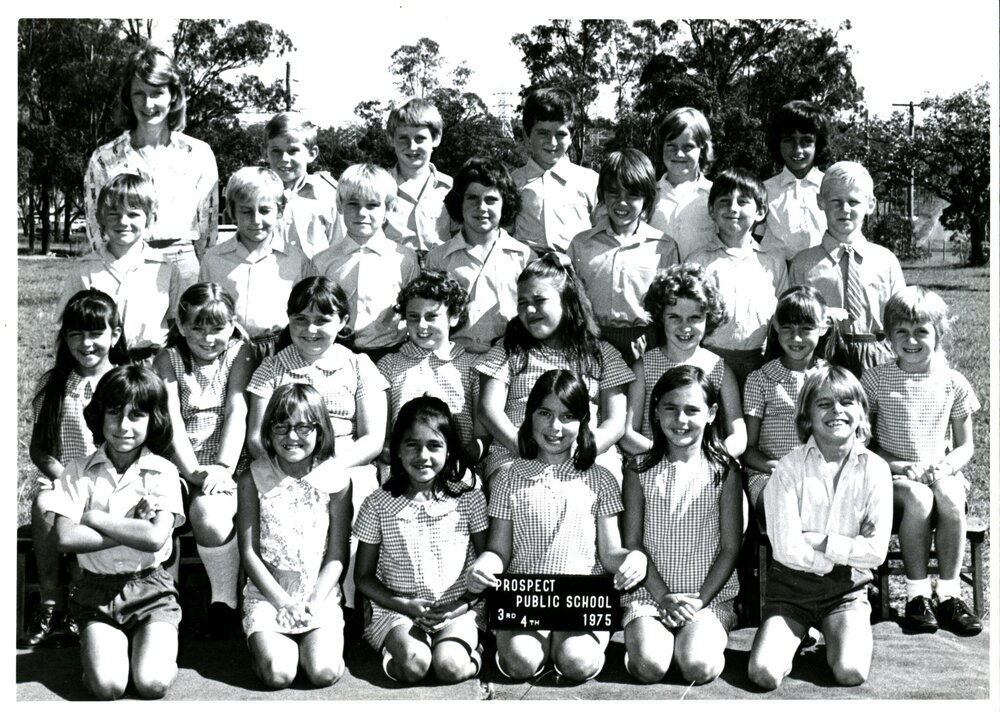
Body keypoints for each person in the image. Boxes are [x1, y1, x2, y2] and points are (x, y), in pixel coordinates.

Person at [466, 370, 647, 682]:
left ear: (583, 423)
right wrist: (483, 565)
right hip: (524, 600)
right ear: (529, 415)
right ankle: (508, 648)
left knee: (577, 662)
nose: (554, 427)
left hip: (581, 600)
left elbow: (610, 552)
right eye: (544, 413)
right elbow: (498, 551)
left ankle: (568, 649)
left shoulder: (600, 478)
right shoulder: (509, 477)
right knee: (521, 662)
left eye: (567, 416)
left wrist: (634, 559)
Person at [246, 276, 388, 614]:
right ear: (289, 320)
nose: (311, 329)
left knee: (357, 490)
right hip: (286, 459)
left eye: (322, 320)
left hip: (346, 461)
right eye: (301, 320)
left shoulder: (358, 366)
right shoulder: (274, 366)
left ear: (342, 322)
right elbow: (256, 435)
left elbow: (372, 438)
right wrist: (292, 467)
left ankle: (352, 602)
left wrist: (330, 468)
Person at [748, 365, 892, 691]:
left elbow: (875, 553)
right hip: (791, 590)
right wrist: (830, 559)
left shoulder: (877, 471)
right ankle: (799, 635)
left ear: (861, 412)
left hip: (846, 591)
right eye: (824, 404)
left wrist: (820, 541)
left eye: (846, 403)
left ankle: (833, 632)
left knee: (850, 672)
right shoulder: (787, 468)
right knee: (763, 674)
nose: (836, 411)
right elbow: (785, 547)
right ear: (807, 416)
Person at [48, 365, 185, 700]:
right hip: (95, 592)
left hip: (152, 590)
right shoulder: (77, 471)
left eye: (137, 415)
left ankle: (155, 654)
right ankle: (102, 656)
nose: (124, 426)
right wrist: (129, 524)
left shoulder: (164, 471)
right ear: (99, 415)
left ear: (154, 421)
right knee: (108, 687)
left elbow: (155, 538)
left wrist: (94, 517)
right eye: (114, 413)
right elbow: (64, 538)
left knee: (152, 684)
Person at [860, 286, 982, 635]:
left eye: (921, 331)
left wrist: (944, 467)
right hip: (894, 476)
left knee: (949, 495)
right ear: (888, 336)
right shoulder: (875, 379)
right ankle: (916, 596)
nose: (911, 340)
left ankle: (948, 595)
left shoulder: (953, 383)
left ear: (939, 334)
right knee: (919, 497)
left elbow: (966, 446)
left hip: (940, 470)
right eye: (901, 332)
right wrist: (899, 466)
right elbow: (862, 443)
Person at [354, 396, 489, 684]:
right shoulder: (377, 504)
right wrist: (406, 605)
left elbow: (486, 565)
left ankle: (473, 653)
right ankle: (398, 653)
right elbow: (363, 577)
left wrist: (460, 606)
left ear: (449, 449)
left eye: (434, 445)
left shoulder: (470, 499)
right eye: (412, 444)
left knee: (449, 667)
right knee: (415, 665)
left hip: (457, 608)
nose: (422, 456)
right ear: (397, 450)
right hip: (398, 609)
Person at [621, 366, 742, 684]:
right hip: (649, 597)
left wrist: (699, 601)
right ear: (657, 409)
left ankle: (695, 644)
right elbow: (633, 543)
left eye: (692, 410)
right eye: (671, 408)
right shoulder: (637, 469)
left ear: (712, 413)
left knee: (697, 667)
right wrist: (662, 597)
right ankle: (645, 649)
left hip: (708, 598)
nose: (681, 420)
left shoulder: (725, 471)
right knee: (650, 667)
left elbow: (730, 548)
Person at [21, 290, 127, 649]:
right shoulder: (53, 384)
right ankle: (51, 601)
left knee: (95, 513)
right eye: (75, 334)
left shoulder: (125, 382)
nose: (86, 343)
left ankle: (82, 605)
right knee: (45, 504)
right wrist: (66, 479)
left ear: (115, 334)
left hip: (115, 481)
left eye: (96, 333)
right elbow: (39, 448)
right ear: (65, 338)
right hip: (62, 476)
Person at [476, 253, 634, 488]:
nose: (529, 310)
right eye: (522, 302)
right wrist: (521, 445)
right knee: (507, 481)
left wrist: (586, 451)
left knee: (603, 482)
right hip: (518, 451)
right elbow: (488, 409)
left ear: (566, 301)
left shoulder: (601, 354)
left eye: (539, 300)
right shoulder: (510, 349)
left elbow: (614, 421)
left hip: (584, 453)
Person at [153, 283, 256, 639]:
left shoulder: (241, 354)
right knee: (157, 511)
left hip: (228, 460)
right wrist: (193, 471)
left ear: (233, 324)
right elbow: (173, 421)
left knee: (209, 515)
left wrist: (223, 468)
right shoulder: (168, 359)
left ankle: (224, 601)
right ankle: (162, 604)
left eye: (217, 328)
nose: (208, 337)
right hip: (179, 461)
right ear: (180, 326)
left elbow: (236, 410)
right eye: (197, 327)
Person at [237, 383, 351, 688]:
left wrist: (313, 602)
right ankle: (265, 648)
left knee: (323, 672)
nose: (291, 437)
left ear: (321, 430)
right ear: (269, 429)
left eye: (303, 427)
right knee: (279, 675)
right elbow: (249, 554)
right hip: (269, 596)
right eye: (281, 426)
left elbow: (337, 554)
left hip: (318, 595)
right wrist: (284, 603)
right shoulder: (252, 478)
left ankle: (316, 646)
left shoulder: (336, 479)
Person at [84, 43, 218, 290]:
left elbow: (208, 230)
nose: (148, 104)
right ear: (128, 97)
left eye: (157, 92)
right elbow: (96, 226)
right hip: (125, 263)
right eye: (139, 93)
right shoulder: (104, 158)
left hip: (184, 267)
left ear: (173, 96)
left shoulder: (199, 154)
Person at [789, 161, 905, 379]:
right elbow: (794, 319)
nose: (845, 210)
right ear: (820, 202)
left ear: (870, 204)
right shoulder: (804, 263)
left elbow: (901, 318)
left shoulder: (885, 261)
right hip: (822, 357)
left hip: (877, 357)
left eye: (853, 202)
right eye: (836, 201)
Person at [567, 148, 679, 364]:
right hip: (593, 341)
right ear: (602, 194)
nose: (622, 202)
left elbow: (670, 305)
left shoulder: (663, 247)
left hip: (645, 343)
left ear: (647, 198)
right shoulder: (581, 244)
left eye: (632, 194)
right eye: (614, 192)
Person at [621, 263, 745, 459]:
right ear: (661, 318)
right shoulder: (643, 367)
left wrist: (708, 459)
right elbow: (628, 434)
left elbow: (739, 435)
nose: (685, 327)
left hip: (705, 466)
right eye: (674, 317)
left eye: (694, 318)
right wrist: (666, 456)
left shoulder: (718, 368)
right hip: (653, 461)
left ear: (708, 318)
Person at [376, 271, 485, 480]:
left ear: (453, 317)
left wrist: (458, 459)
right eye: (414, 317)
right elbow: (384, 439)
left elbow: (481, 438)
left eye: (431, 316)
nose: (422, 325)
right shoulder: (389, 365)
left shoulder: (473, 365)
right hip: (403, 467)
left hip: (457, 466)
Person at [62, 172, 180, 363]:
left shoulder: (166, 269)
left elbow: (178, 326)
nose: (123, 222)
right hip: (97, 366)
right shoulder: (84, 270)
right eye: (114, 214)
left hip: (150, 368)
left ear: (150, 218)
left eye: (133, 214)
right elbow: (66, 326)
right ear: (101, 218)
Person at [688, 168, 788, 388]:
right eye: (724, 201)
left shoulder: (773, 261)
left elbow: (783, 315)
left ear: (760, 211)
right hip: (709, 360)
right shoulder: (698, 261)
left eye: (743, 202)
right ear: (711, 210)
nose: (733, 208)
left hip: (760, 362)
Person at [310, 164, 420, 362]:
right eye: (353, 204)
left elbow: (414, 311)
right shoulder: (322, 261)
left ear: (389, 208)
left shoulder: (405, 259)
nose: (362, 213)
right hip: (337, 354)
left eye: (372, 205)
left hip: (391, 353)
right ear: (340, 205)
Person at [200, 167, 311, 360]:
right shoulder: (213, 258)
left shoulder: (296, 259)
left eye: (265, 210)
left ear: (280, 210)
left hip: (282, 349)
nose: (256, 220)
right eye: (246, 211)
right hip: (228, 351)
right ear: (232, 212)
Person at [427, 157, 534, 354]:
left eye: (491, 200)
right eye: (473, 198)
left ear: (506, 204)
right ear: (459, 201)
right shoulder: (438, 259)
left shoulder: (525, 257)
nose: (481, 208)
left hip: (507, 357)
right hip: (452, 359)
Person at [742, 286, 832, 518]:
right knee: (788, 505)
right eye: (788, 329)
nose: (796, 338)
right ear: (775, 327)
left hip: (820, 474)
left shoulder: (832, 379)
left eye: (806, 329)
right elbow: (749, 449)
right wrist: (779, 468)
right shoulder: (760, 379)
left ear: (823, 328)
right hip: (769, 474)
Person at [511, 87, 598, 253]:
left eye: (561, 134)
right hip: (528, 272)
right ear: (527, 134)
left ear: (572, 136)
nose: (552, 142)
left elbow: (601, 230)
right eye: (543, 133)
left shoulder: (590, 181)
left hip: (576, 271)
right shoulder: (513, 182)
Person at [382, 98, 454, 256]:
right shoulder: (378, 187)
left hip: (440, 275)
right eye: (403, 138)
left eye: (420, 138)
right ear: (391, 139)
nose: (412, 146)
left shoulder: (451, 188)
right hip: (394, 275)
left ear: (436, 139)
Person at [759, 100, 831, 261]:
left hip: (822, 276)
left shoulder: (830, 187)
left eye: (806, 141)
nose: (797, 149)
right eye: (788, 140)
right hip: (778, 279)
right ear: (778, 143)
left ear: (818, 144)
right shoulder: (765, 190)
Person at [263, 111, 339, 259]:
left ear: (312, 153)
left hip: (314, 279)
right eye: (276, 151)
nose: (284, 159)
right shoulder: (256, 195)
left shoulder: (328, 197)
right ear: (265, 153)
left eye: (293, 151)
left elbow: (339, 250)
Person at [648, 107, 717, 260]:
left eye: (688, 147)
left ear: (702, 149)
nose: (679, 154)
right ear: (661, 147)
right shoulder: (649, 194)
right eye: (671, 146)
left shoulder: (714, 194)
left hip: (701, 281)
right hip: (657, 281)